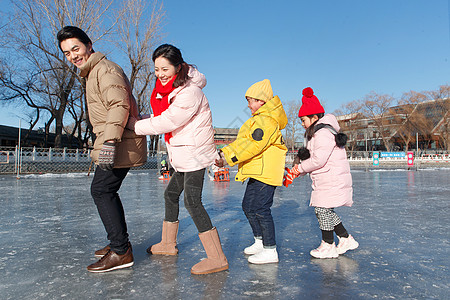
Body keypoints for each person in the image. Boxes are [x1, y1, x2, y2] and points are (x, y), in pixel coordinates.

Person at [127, 44, 228, 275]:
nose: (160, 74)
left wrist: (134, 125)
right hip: (183, 154)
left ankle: (217, 257)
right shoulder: (171, 90)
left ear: (178, 67)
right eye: (156, 69)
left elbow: (169, 121)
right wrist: (139, 118)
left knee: (193, 202)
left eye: (165, 68)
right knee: (170, 194)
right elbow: (160, 116)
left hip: (194, 154)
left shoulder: (190, 92)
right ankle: (167, 244)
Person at [57, 26, 147, 272]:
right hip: (117, 141)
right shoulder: (92, 72)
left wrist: (109, 142)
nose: (73, 56)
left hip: (120, 143)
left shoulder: (104, 69)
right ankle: (118, 244)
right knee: (105, 190)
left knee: (101, 190)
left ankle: (121, 251)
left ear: (89, 44)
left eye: (76, 48)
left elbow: (119, 104)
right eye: (67, 53)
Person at [215, 79, 287, 264]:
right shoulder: (258, 120)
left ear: (261, 101)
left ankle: (270, 250)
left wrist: (229, 158)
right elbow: (243, 142)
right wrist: (224, 152)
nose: (248, 105)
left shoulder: (267, 121)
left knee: (261, 209)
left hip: (266, 172)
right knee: (248, 206)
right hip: (257, 171)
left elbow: (254, 145)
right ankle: (260, 241)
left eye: (251, 101)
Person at [285, 87, 359, 258]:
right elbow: (312, 158)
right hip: (327, 178)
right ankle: (345, 238)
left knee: (322, 210)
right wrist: (298, 170)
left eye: (303, 120)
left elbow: (318, 160)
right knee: (324, 210)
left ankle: (328, 245)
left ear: (314, 117)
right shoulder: (317, 133)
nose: (302, 124)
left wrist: (300, 169)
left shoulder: (323, 133)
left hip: (331, 178)